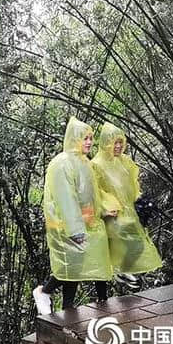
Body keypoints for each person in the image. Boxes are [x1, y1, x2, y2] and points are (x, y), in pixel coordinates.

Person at [33, 117, 115, 315]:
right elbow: (65, 199)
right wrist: (75, 229)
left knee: (80, 266)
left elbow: (92, 195)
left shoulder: (84, 162)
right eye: (84, 138)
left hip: (85, 222)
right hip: (65, 225)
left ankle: (70, 309)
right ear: (73, 139)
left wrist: (103, 211)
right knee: (71, 264)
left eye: (90, 138)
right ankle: (45, 291)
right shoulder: (62, 163)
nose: (89, 142)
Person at [91, 122, 162, 288]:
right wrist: (103, 209)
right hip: (111, 213)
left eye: (120, 142)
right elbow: (94, 191)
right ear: (105, 142)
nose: (117, 146)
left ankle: (122, 270)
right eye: (114, 142)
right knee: (119, 241)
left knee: (138, 243)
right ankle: (118, 272)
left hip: (128, 210)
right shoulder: (96, 164)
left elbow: (133, 184)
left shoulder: (124, 161)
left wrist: (141, 202)